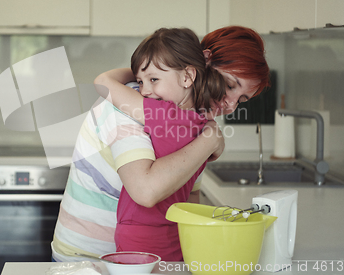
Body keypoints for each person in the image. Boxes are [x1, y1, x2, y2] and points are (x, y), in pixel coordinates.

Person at [51, 25, 269, 262]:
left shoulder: (196, 118)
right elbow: (145, 190)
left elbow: (188, 200)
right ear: (203, 62)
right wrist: (211, 140)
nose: (230, 106)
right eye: (229, 85)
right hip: (86, 259)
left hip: (148, 261)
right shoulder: (130, 103)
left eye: (242, 100)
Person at [94, 27, 228, 261]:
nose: (144, 91)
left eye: (154, 80)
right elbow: (192, 195)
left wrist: (137, 70)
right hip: (177, 234)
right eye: (140, 81)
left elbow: (102, 82)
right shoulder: (204, 124)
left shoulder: (162, 113)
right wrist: (150, 69)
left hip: (138, 237)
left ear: (187, 77)